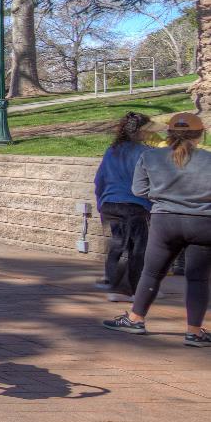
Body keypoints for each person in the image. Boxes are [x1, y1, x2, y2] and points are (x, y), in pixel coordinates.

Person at [104, 112, 211, 346]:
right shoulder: (209, 159)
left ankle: (135, 319)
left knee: (151, 272)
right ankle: (194, 332)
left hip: (165, 221)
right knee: (198, 279)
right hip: (203, 222)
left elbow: (138, 190)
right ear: (200, 133)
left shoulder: (150, 157)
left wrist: (162, 197)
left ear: (169, 133)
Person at [95, 112, 153, 302]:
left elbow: (99, 179)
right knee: (137, 249)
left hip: (110, 204)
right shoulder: (145, 153)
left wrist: (100, 203)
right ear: (140, 131)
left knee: (119, 244)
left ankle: (112, 283)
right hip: (133, 205)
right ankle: (128, 290)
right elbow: (150, 181)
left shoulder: (111, 150)